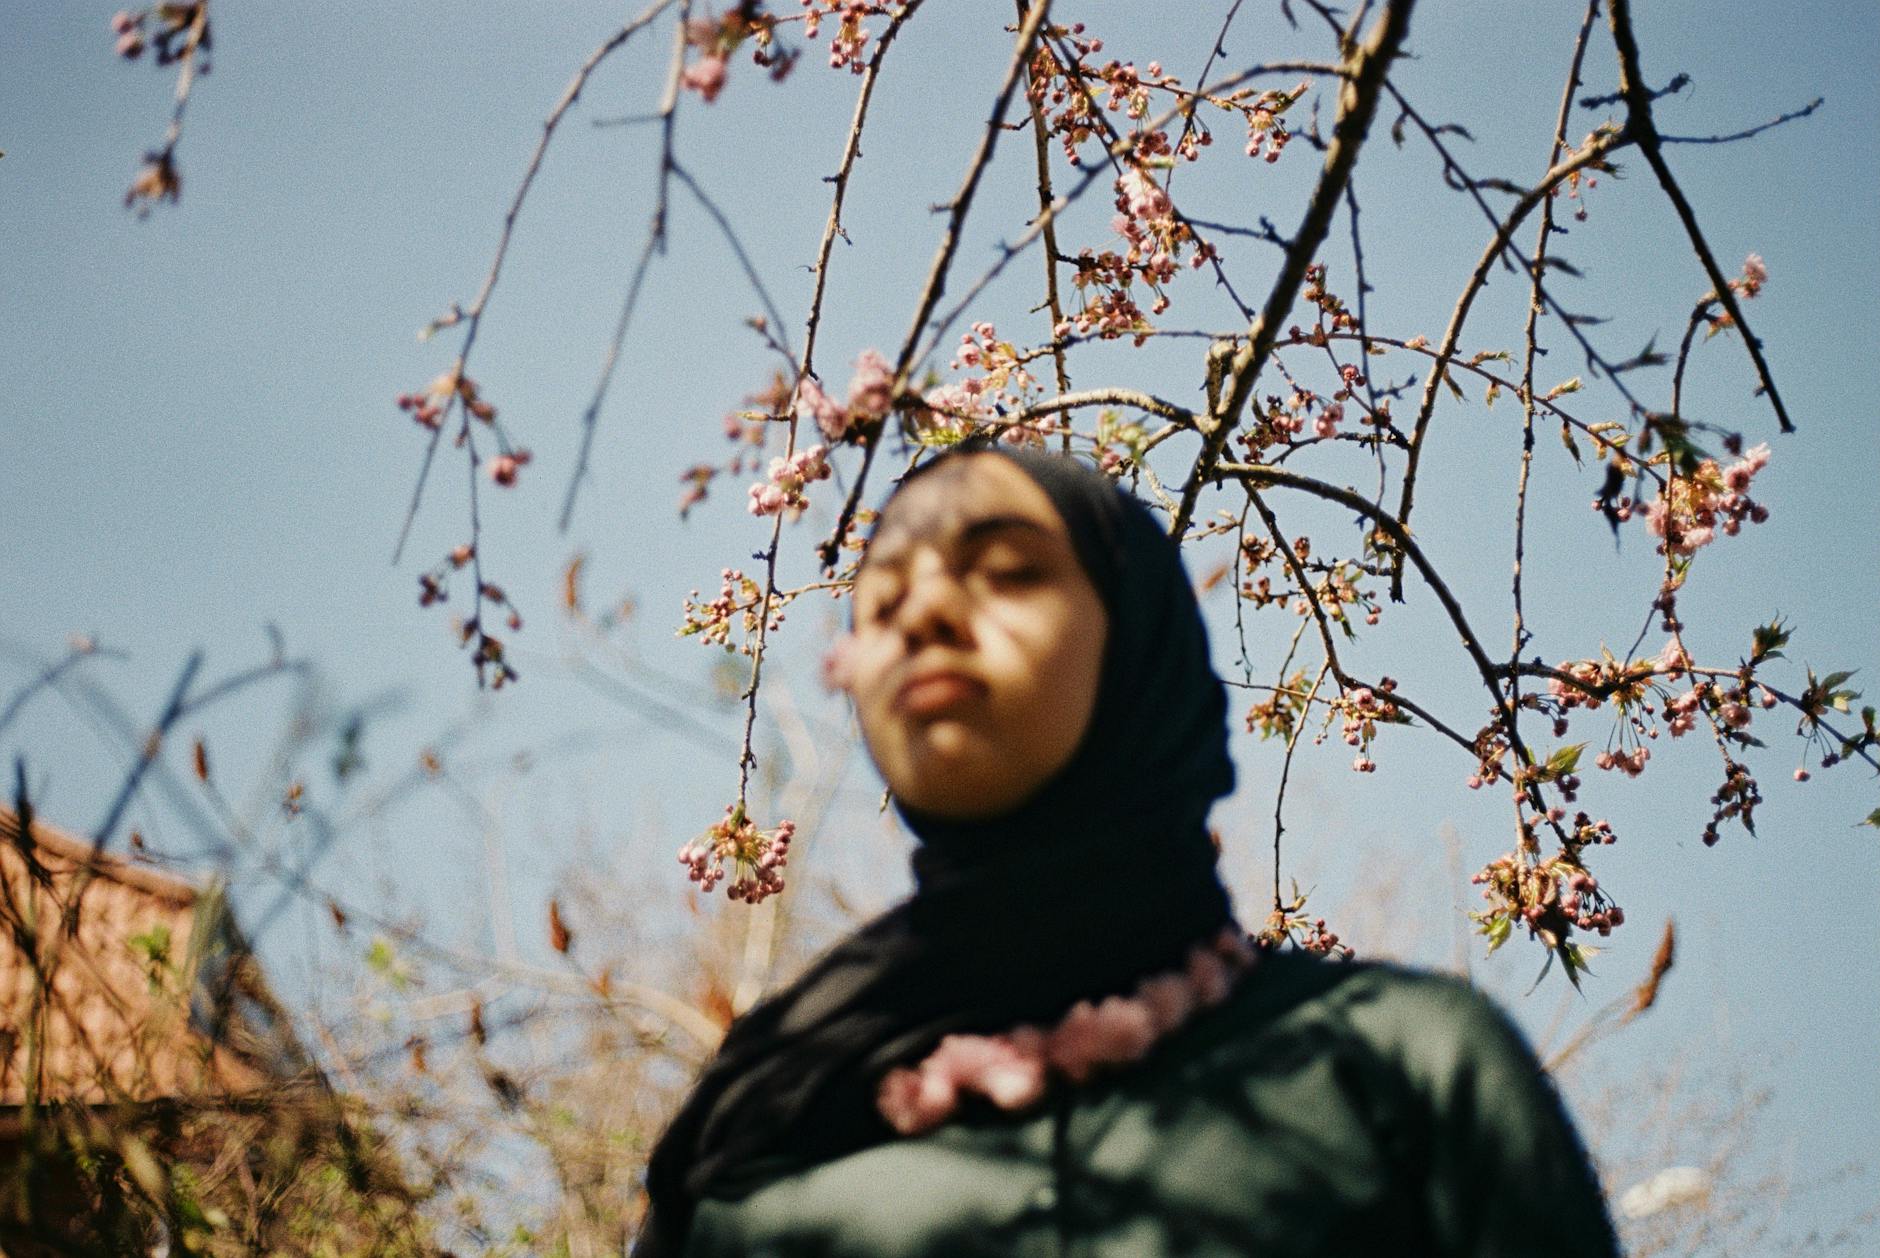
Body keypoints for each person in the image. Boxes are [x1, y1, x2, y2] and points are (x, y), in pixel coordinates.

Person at [635, 440, 1619, 1257]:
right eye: (882, 605)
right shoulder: (760, 1135)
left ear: (1139, 641)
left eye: (1008, 571)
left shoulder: (1393, 1062)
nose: (925, 616)